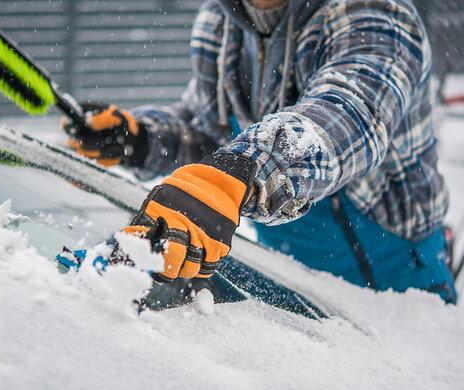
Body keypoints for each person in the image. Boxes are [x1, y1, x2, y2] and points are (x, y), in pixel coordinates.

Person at [61, 0, 458, 303]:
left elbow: (349, 113)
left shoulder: (374, 15)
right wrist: (141, 138)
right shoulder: (220, 23)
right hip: (283, 268)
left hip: (395, 281)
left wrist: (241, 171)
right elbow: (206, 131)